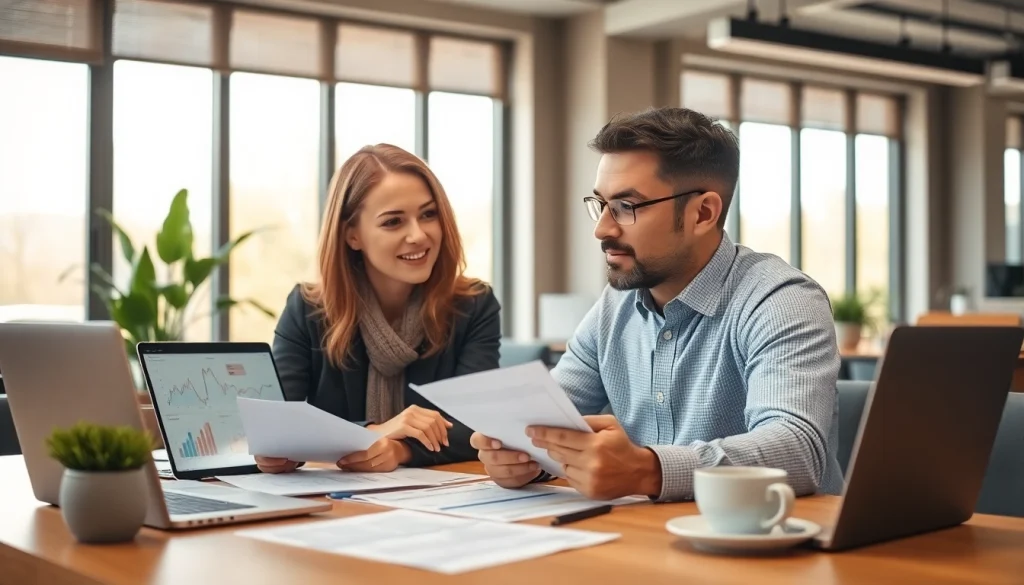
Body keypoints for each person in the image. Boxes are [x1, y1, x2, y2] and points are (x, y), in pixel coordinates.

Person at [471, 107, 844, 502]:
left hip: (776, 547)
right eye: (601, 204)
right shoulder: (615, 305)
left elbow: (797, 451)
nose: (602, 229)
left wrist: (649, 470)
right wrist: (523, 456)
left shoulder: (781, 299)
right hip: (650, 538)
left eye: (626, 207)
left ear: (703, 213)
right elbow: (549, 420)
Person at [258, 144, 501, 474]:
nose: (418, 235)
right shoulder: (307, 309)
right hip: (333, 504)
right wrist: (372, 433)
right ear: (352, 236)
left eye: (428, 214)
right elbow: (281, 431)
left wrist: (401, 450)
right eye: (393, 222)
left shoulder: (473, 305)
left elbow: (480, 428)